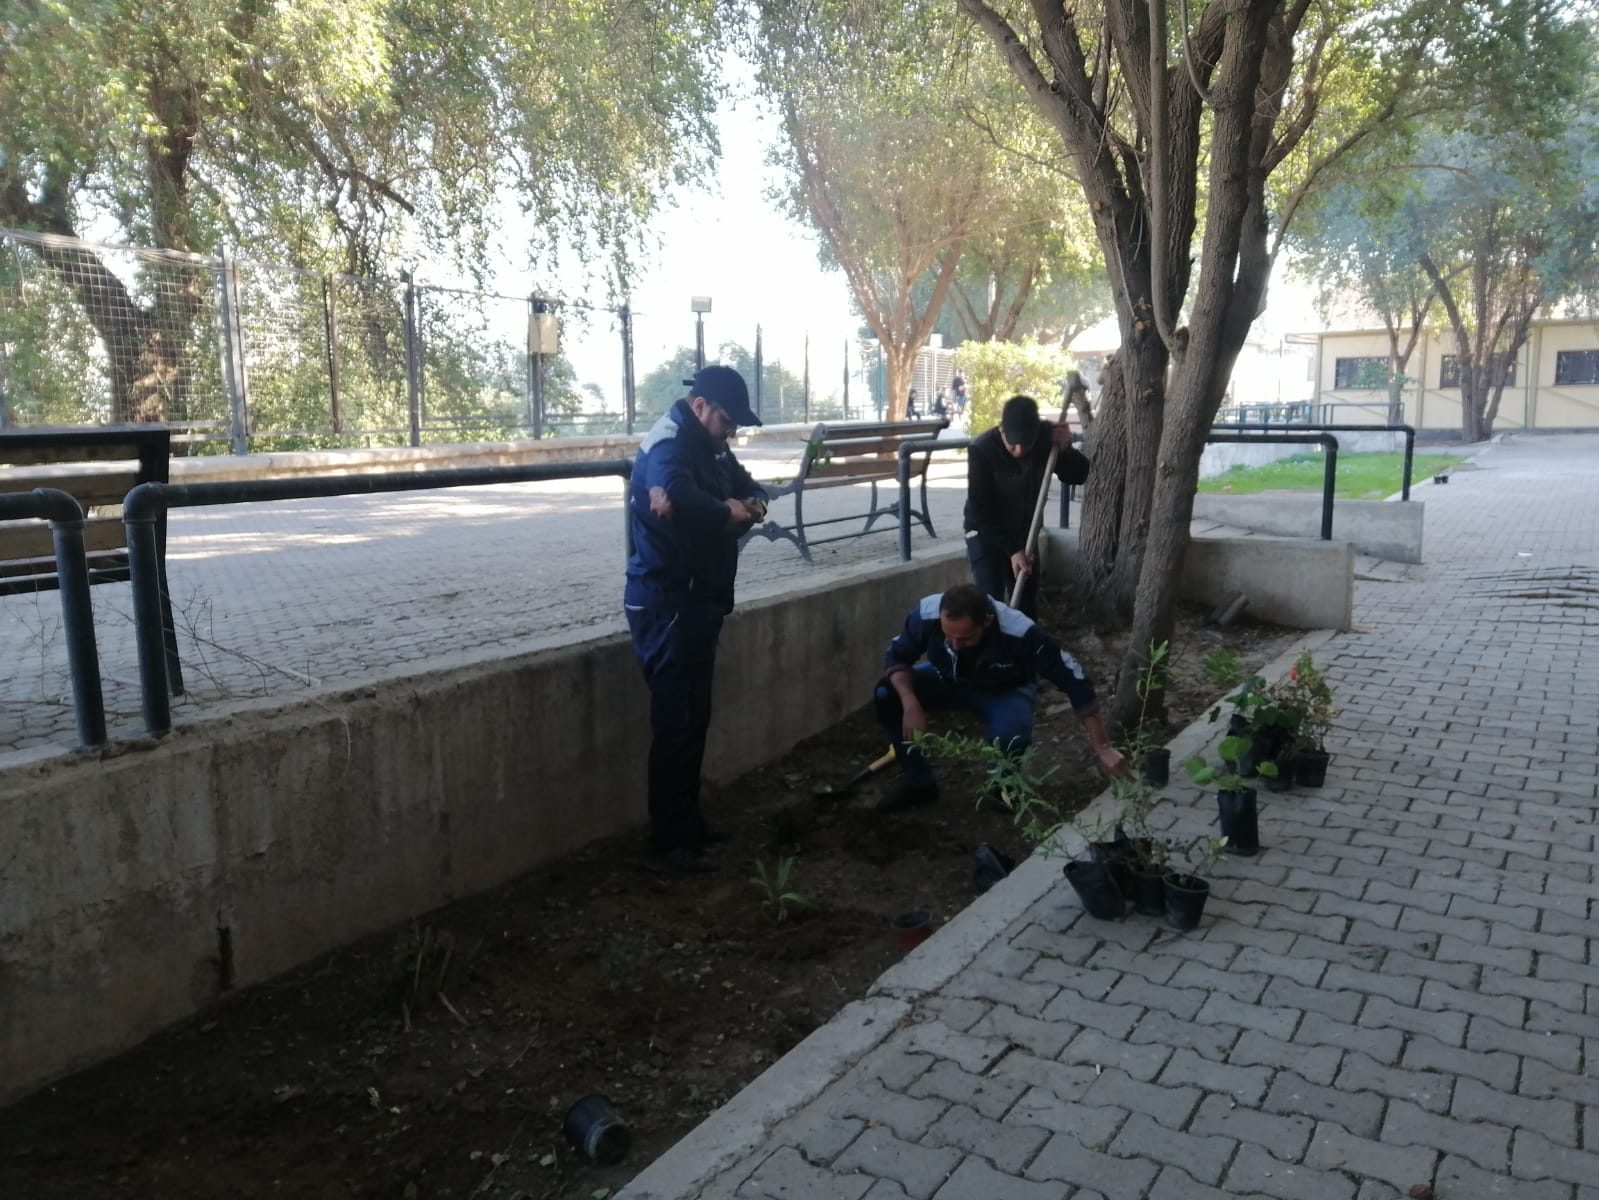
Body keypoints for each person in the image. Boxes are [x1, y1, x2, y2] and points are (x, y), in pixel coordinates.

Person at [624, 365, 768, 873]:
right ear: (701, 406)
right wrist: (729, 512)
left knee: (694, 718)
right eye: (727, 421)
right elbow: (677, 496)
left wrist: (748, 505)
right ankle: (668, 841)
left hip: (698, 601)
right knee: (675, 723)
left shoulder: (711, 444)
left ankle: (688, 823)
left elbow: (749, 488)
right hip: (667, 604)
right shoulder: (669, 442)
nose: (730, 432)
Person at [874, 584, 1127, 808]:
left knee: (1010, 735)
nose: (955, 645)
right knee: (887, 693)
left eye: (965, 638)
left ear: (987, 621)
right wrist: (910, 702)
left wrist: (1102, 746)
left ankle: (1003, 787)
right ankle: (919, 783)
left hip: (1006, 690)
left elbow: (1074, 679)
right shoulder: (926, 613)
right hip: (948, 680)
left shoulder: (1020, 632)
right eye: (948, 636)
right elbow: (897, 657)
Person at [964, 394, 1090, 617]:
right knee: (989, 603)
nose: (1020, 450)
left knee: (1025, 605)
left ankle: (1023, 639)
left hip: (1025, 533)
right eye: (1012, 444)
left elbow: (1078, 476)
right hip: (986, 533)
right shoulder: (981, 449)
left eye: (1027, 443)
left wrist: (1065, 450)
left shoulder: (1047, 436)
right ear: (1002, 429)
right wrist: (1013, 550)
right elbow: (980, 509)